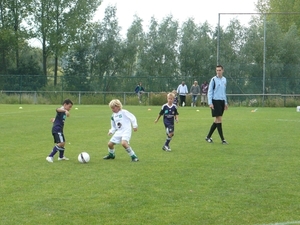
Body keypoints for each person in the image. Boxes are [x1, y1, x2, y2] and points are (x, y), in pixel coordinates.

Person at [205, 65, 228, 144]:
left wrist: (225, 102)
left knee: (216, 120)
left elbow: (224, 92)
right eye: (217, 70)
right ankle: (223, 139)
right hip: (215, 101)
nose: (218, 72)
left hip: (221, 101)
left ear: (222, 70)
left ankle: (208, 137)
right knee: (219, 119)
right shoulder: (213, 80)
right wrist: (210, 103)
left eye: (219, 70)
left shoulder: (224, 80)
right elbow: (210, 92)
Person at [46, 99, 73, 163]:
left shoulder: (64, 111)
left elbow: (66, 116)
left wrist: (55, 119)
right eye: (69, 106)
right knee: (61, 143)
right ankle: (50, 156)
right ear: (65, 105)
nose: (70, 108)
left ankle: (61, 157)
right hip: (57, 129)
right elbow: (57, 109)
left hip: (59, 129)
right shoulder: (61, 110)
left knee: (63, 143)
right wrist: (65, 110)